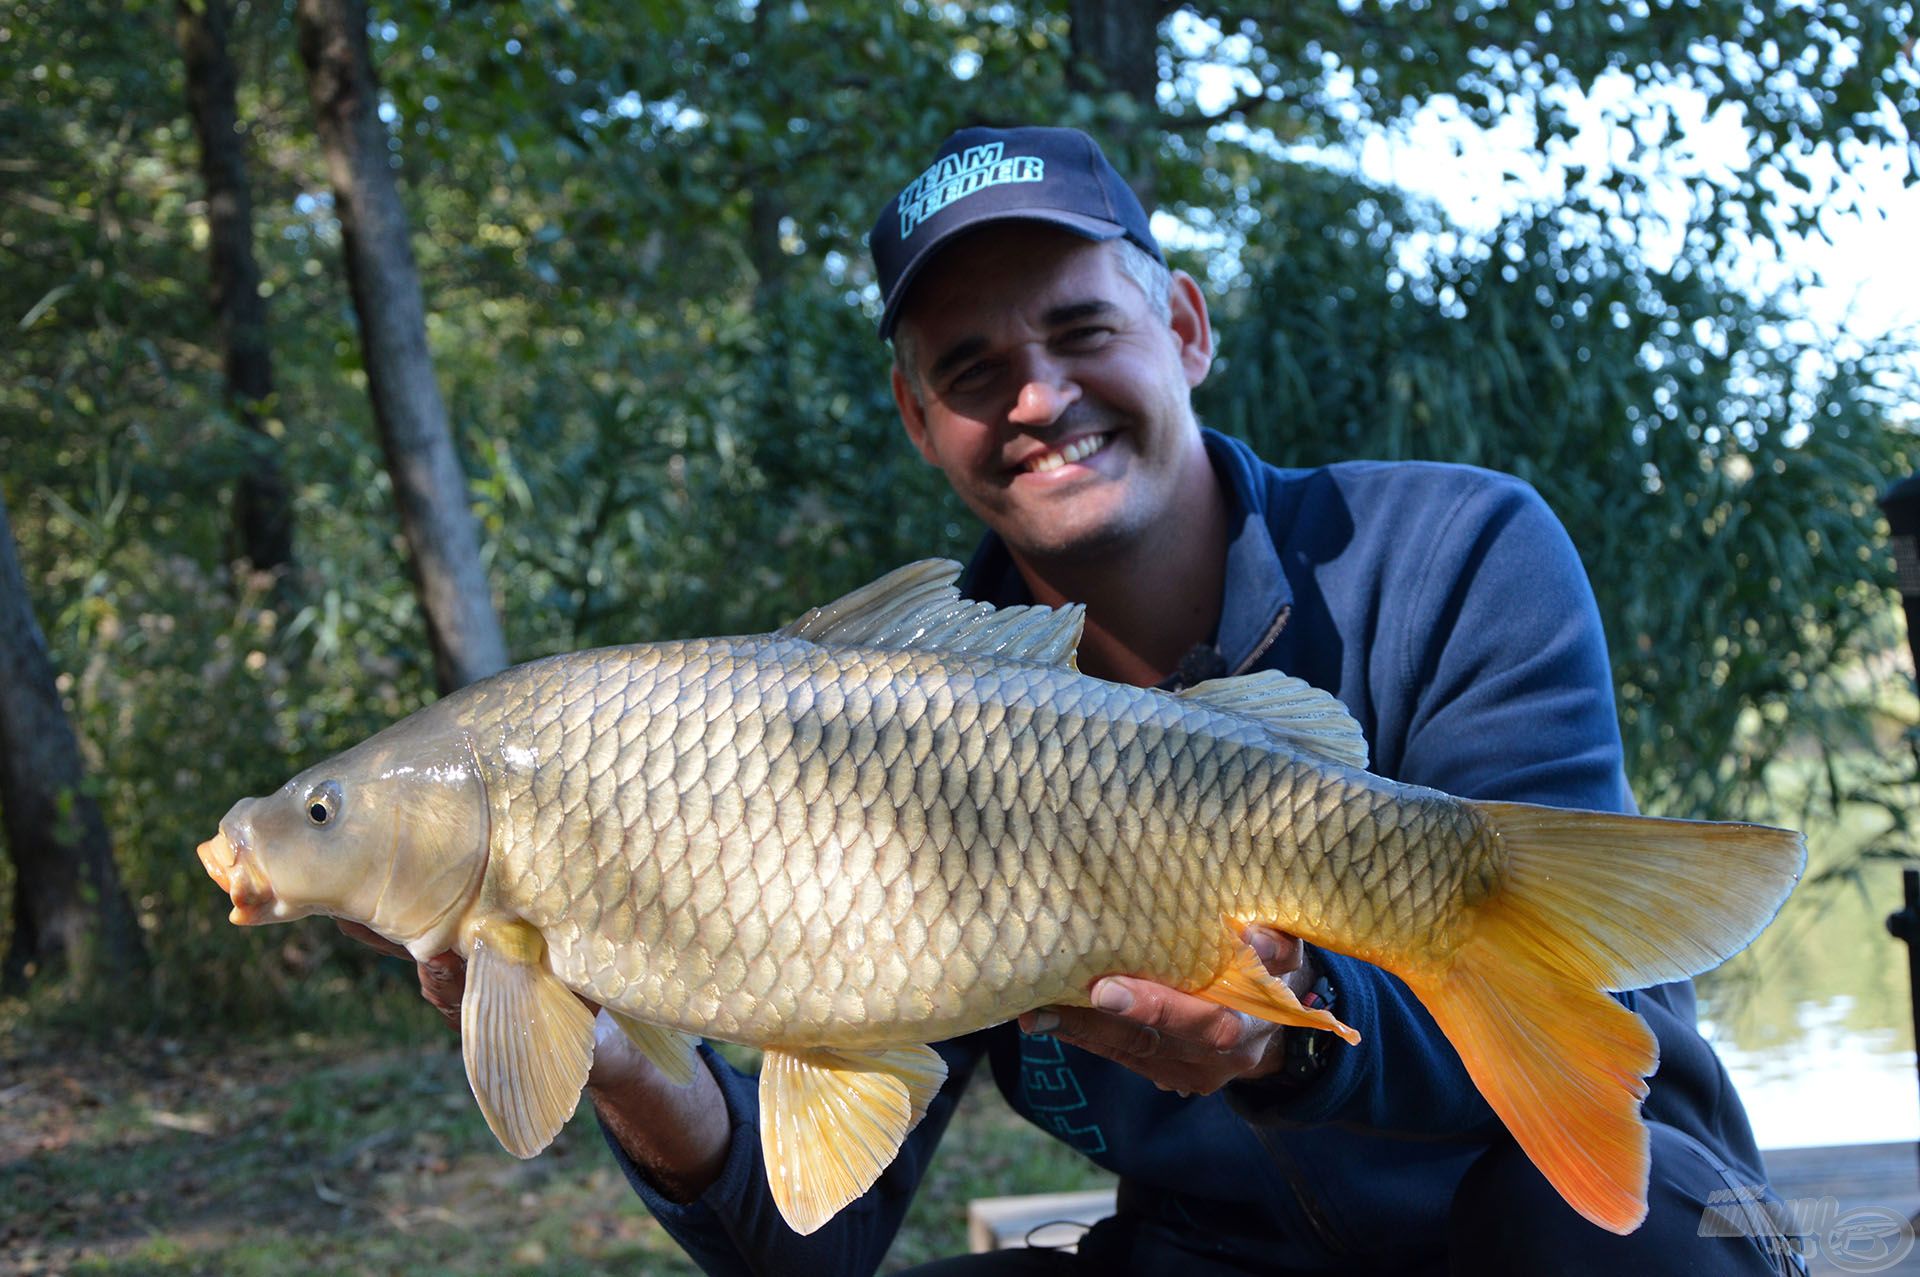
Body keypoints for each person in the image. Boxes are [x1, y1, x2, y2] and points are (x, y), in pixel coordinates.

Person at [347, 125, 1803, 1275]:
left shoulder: (1455, 552)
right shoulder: (890, 717)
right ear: (919, 418)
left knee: (1604, 1237)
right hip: (1214, 1257)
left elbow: (1636, 1057)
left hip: (1577, 1221)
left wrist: (1285, 1032)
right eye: (973, 369)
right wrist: (615, 1058)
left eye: (1079, 329)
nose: (1036, 394)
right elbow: (814, 1239)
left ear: (1182, 324)